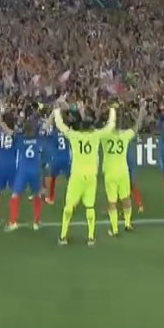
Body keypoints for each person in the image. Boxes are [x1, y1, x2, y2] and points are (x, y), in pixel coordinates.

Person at [51, 104, 117, 246]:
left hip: (76, 176)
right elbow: (111, 126)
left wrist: (56, 111)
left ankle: (63, 236)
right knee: (90, 207)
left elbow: (60, 126)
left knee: (69, 206)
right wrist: (112, 111)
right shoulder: (96, 135)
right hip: (91, 176)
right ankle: (91, 237)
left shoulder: (74, 136)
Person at [103, 101, 146, 235]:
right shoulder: (125, 135)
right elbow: (137, 126)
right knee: (126, 199)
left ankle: (115, 229)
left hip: (110, 173)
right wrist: (141, 112)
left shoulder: (105, 135)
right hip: (123, 172)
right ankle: (127, 224)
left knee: (112, 202)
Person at [8, 117, 45, 231]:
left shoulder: (20, 139)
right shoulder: (38, 140)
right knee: (37, 195)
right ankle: (36, 223)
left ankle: (13, 222)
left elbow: (8, 132)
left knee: (15, 195)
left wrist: (0, 122)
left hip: (23, 171)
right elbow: (45, 128)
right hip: (35, 171)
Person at [0, 110, 19, 227]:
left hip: (0, 164)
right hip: (11, 165)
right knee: (15, 193)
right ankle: (13, 219)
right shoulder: (15, 133)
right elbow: (11, 133)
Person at [43, 118, 71, 204]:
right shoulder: (67, 133)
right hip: (66, 158)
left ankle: (51, 198)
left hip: (56, 159)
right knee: (70, 179)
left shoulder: (53, 134)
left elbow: (44, 132)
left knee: (52, 178)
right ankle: (72, 199)